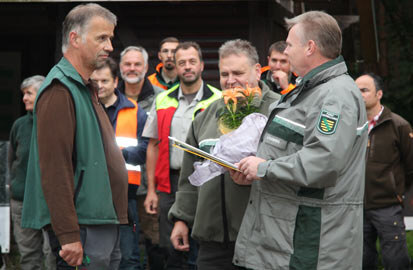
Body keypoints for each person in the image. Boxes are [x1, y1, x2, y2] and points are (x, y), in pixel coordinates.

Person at [230, 11, 368, 269]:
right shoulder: (310, 90)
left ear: (310, 48)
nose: (286, 52)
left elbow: (323, 162)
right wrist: (253, 169)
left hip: (311, 242)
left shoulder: (335, 96)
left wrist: (263, 168)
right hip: (286, 238)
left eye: (290, 45)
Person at [21, 3, 128, 269]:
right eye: (101, 38)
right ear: (74, 38)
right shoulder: (60, 90)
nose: (110, 46)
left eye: (111, 38)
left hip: (100, 220)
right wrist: (68, 235)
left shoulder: (83, 87)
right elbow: (55, 168)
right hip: (82, 226)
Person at [168, 39, 280, 270]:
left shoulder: (279, 112)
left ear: (258, 71)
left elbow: (293, 167)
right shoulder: (205, 117)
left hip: (261, 239)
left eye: (238, 72)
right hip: (212, 242)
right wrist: (181, 218)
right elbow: (189, 174)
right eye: (224, 74)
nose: (230, 81)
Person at [143, 41, 221, 269]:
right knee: (170, 247)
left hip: (206, 183)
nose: (187, 67)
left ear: (201, 65)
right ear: (175, 67)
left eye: (192, 62)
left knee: (200, 245)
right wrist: (151, 190)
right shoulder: (162, 100)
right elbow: (153, 146)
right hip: (170, 183)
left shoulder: (218, 100)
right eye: (181, 63)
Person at [91, 57, 149, 270]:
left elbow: (146, 150)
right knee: (98, 257)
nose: (99, 86)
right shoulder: (84, 110)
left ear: (116, 82)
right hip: (92, 195)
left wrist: (115, 155)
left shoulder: (135, 111)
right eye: (95, 81)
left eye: (105, 81)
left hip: (126, 195)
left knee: (128, 257)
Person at [355, 73, 413, 270]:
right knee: (362, 261)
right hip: (356, 206)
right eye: (356, 90)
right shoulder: (350, 126)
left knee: (396, 261)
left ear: (379, 94)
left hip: (387, 206)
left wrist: (396, 191)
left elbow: (410, 167)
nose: (359, 94)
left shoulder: (399, 125)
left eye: (364, 90)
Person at [117, 45, 164, 270]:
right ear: (120, 67)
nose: (132, 68)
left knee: (155, 243)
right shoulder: (112, 99)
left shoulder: (160, 97)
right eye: (127, 64)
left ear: (146, 67)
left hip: (149, 185)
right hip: (121, 186)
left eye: (137, 64)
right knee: (125, 248)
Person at [8, 75, 56, 270]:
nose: (24, 98)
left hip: (50, 201)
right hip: (22, 200)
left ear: (43, 94)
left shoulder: (58, 123)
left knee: (52, 252)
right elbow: (11, 160)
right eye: (23, 94)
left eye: (29, 93)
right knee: (28, 255)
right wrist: (14, 186)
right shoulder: (19, 125)